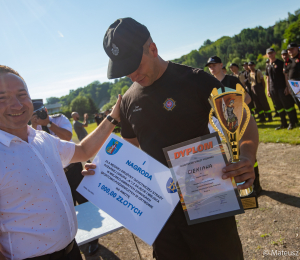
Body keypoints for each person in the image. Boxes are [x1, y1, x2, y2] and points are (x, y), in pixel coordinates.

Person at [101, 17, 258, 260]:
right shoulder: (128, 102)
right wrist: (105, 171)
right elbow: (131, 154)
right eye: (124, 69)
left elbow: (244, 121)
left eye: (134, 64)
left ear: (152, 49)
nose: (132, 74)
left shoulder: (196, 80)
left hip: (209, 202)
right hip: (163, 215)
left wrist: (247, 156)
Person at [0, 65, 121, 260]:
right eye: (2, 98)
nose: (17, 105)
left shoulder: (43, 139)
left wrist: (113, 117)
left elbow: (83, 151)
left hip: (71, 251)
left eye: (22, 95)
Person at [31, 103, 100, 255]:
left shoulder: (59, 119)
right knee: (67, 207)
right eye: (36, 114)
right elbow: (34, 149)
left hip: (73, 168)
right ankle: (75, 238)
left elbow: (67, 137)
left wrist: (48, 123)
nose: (40, 115)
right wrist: (34, 125)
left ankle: (94, 240)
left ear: (46, 110)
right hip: (56, 173)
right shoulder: (32, 130)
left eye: (41, 112)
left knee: (84, 202)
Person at [206, 56, 262, 195]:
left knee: (247, 154)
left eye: (214, 65)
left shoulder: (232, 80)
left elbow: (247, 98)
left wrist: (238, 111)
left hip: (240, 122)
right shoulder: (209, 85)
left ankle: (255, 185)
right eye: (209, 66)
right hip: (223, 127)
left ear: (221, 65)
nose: (211, 68)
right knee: (233, 155)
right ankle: (243, 188)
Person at [266, 48, 298, 130]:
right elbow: (267, 78)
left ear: (275, 53)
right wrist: (268, 90)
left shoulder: (280, 63)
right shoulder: (268, 65)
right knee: (279, 107)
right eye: (268, 53)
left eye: (271, 53)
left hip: (281, 88)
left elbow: (285, 75)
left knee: (287, 106)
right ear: (267, 55)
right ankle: (283, 123)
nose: (270, 55)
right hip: (273, 89)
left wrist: (287, 87)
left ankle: (292, 122)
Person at [284, 42, 300, 110]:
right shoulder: (287, 60)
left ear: (297, 48)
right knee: (297, 102)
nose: (290, 51)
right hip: (292, 84)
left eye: (292, 49)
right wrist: (288, 86)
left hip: (299, 82)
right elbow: (286, 74)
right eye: (289, 50)